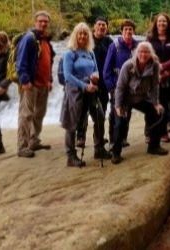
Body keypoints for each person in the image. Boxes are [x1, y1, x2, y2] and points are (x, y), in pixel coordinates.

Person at [111, 42, 169, 164]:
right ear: (136, 53)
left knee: (157, 113)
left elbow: (154, 87)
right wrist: (118, 106)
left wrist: (155, 103)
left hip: (142, 97)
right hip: (125, 98)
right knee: (120, 122)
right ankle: (116, 153)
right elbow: (120, 87)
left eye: (146, 52)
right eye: (141, 51)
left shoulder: (155, 65)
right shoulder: (128, 65)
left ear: (151, 53)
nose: (143, 54)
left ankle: (154, 146)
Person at [16, 11, 56, 158]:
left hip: (43, 84)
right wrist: (25, 80)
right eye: (41, 21)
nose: (43, 23)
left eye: (46, 21)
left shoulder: (45, 41)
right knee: (26, 115)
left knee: (39, 114)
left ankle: (34, 141)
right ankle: (22, 146)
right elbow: (21, 62)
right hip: (30, 84)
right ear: (35, 22)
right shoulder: (29, 38)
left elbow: (49, 62)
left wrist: (50, 80)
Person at [60, 23, 99, 167]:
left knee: (98, 116)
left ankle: (99, 148)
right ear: (75, 36)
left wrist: (95, 78)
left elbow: (96, 70)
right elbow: (67, 76)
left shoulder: (90, 52)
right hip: (75, 91)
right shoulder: (70, 53)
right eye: (80, 33)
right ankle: (70, 156)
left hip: (90, 89)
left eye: (85, 34)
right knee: (72, 123)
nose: (83, 36)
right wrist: (84, 86)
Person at [76, 17, 112, 159]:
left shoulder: (109, 42)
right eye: (99, 25)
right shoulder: (87, 40)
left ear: (107, 28)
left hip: (103, 84)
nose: (102, 27)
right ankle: (81, 137)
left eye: (104, 25)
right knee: (83, 112)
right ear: (94, 26)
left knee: (100, 113)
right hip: (87, 84)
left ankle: (99, 141)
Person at [103, 19, 139, 151]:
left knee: (127, 113)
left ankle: (123, 138)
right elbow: (106, 70)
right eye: (126, 29)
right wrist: (111, 87)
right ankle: (113, 140)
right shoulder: (115, 46)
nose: (128, 32)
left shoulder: (137, 46)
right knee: (115, 114)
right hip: (116, 87)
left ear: (133, 31)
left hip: (131, 88)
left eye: (130, 29)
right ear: (121, 31)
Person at [147, 13, 170, 143]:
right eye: (160, 21)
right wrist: (157, 69)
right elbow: (145, 53)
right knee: (153, 103)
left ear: (168, 24)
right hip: (153, 75)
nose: (162, 24)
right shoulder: (150, 38)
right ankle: (151, 133)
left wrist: (163, 67)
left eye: (164, 21)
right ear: (156, 23)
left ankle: (164, 132)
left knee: (166, 103)